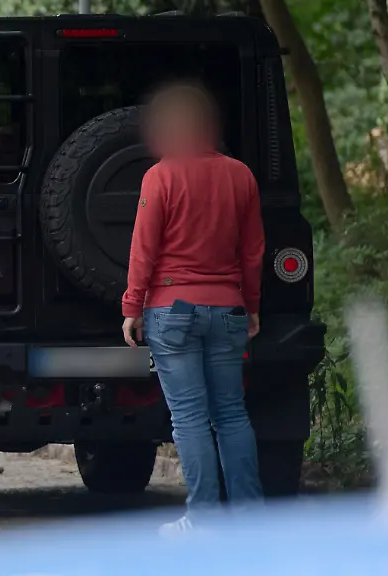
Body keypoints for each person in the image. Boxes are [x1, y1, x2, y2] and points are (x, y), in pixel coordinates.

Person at [121, 83, 265, 534]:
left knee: (189, 417)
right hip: (229, 310)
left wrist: (132, 306)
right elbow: (253, 250)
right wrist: (253, 306)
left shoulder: (160, 177)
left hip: (172, 310)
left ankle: (202, 518)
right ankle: (250, 516)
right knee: (232, 413)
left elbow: (144, 248)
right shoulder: (240, 175)